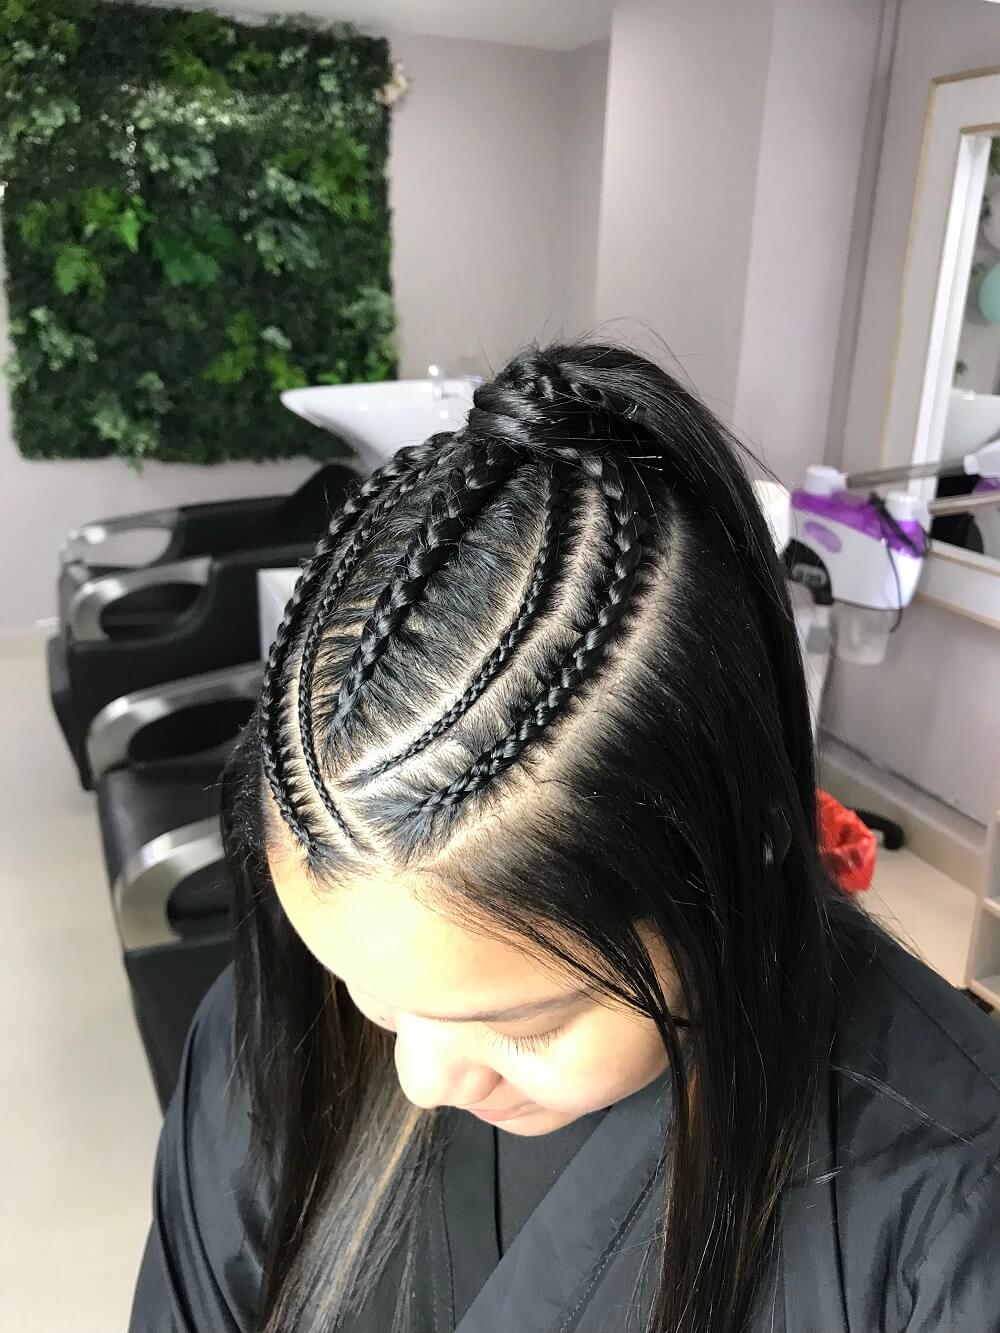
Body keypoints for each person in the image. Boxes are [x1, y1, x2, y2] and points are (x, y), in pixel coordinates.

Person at [129, 343, 1000, 1333]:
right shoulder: (267, 1036)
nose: (421, 1077)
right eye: (371, 991)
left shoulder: (949, 1216)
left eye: (527, 1025)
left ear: (743, 850)